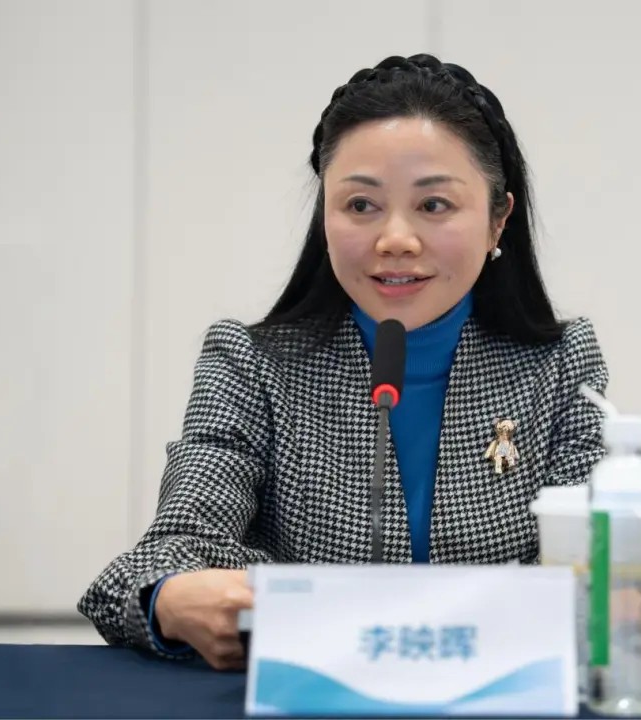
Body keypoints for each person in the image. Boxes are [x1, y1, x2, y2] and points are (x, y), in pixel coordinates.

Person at [78, 53, 609, 670]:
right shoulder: (250, 363)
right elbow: (167, 553)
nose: (396, 239)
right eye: (361, 206)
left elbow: (599, 572)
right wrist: (169, 598)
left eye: (434, 205)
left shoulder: (559, 364)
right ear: (325, 218)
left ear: (498, 220)